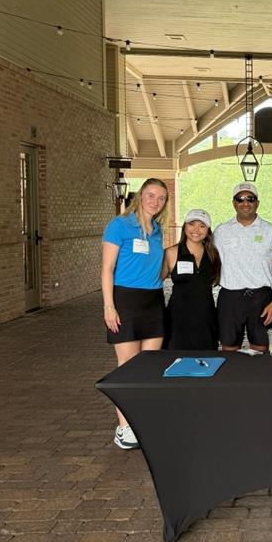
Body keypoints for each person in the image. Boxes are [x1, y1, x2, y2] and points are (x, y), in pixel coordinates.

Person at [101, 178, 169, 450]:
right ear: (140, 196)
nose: (155, 201)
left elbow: (158, 266)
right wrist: (109, 306)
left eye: (161, 197)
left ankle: (143, 421)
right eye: (151, 195)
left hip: (152, 301)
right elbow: (107, 268)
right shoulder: (119, 225)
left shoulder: (157, 229)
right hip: (125, 300)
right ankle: (124, 427)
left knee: (149, 365)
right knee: (128, 367)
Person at [213, 182, 272, 353]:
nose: (245, 203)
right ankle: (231, 379)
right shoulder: (221, 231)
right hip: (230, 297)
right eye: (240, 199)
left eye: (250, 199)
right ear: (234, 203)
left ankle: (259, 379)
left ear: (257, 203)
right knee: (229, 348)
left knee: (261, 348)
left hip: (261, 298)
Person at [162, 209, 220, 350]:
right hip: (177, 318)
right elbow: (156, 281)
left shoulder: (213, 254)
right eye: (192, 224)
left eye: (202, 226)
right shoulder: (171, 252)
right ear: (185, 227)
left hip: (205, 317)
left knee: (205, 361)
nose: (196, 230)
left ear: (208, 230)